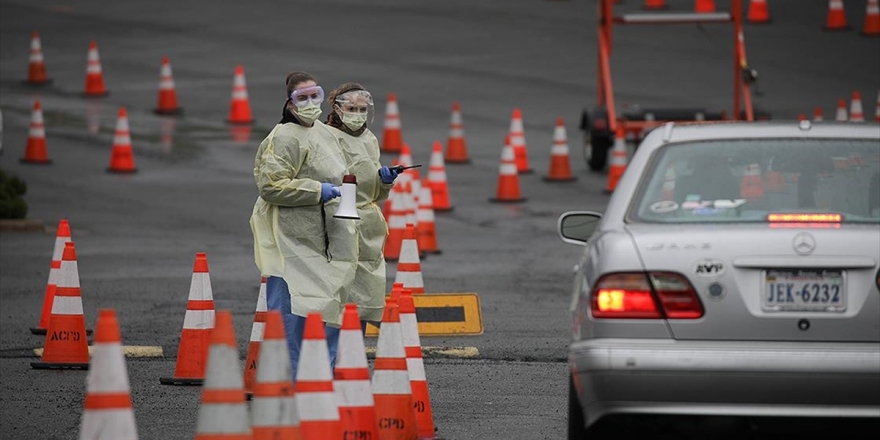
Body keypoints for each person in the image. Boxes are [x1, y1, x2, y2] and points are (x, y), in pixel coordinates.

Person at [249, 71, 357, 381]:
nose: (310, 103)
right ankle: (294, 381)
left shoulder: (323, 133)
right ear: (290, 102)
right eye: (302, 97)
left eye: (315, 95)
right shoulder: (283, 137)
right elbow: (270, 186)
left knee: (325, 309)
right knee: (291, 312)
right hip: (290, 239)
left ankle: (320, 378)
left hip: (322, 238)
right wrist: (316, 190)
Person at [324, 82, 398, 333]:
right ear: (337, 108)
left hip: (367, 223)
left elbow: (373, 188)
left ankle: (354, 348)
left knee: (366, 293)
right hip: (338, 219)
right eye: (351, 109)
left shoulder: (369, 138)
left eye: (362, 109)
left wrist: (384, 181)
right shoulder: (326, 137)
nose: (358, 114)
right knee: (338, 291)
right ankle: (331, 349)